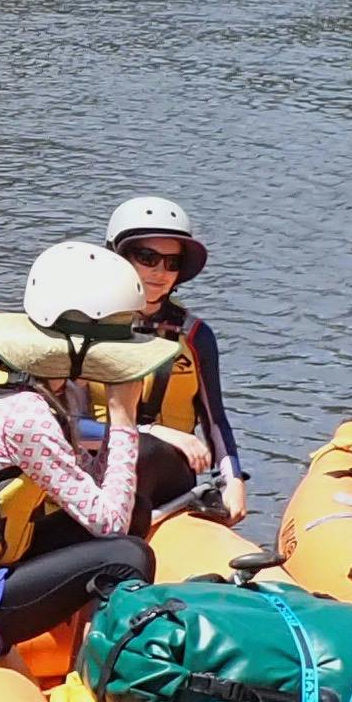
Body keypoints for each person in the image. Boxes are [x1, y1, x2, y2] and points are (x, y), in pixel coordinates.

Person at [0, 242, 206, 661]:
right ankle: (102, 677)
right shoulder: (26, 413)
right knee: (126, 555)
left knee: (132, 510)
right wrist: (124, 415)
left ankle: (83, 645)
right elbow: (109, 524)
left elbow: (99, 495)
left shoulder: (42, 385)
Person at [109, 193, 248, 521]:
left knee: (149, 453)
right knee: (142, 449)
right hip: (103, 467)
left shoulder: (195, 336)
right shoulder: (88, 329)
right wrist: (152, 431)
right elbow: (67, 424)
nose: (160, 272)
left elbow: (216, 420)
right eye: (147, 257)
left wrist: (234, 480)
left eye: (172, 263)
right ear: (119, 257)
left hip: (171, 477)